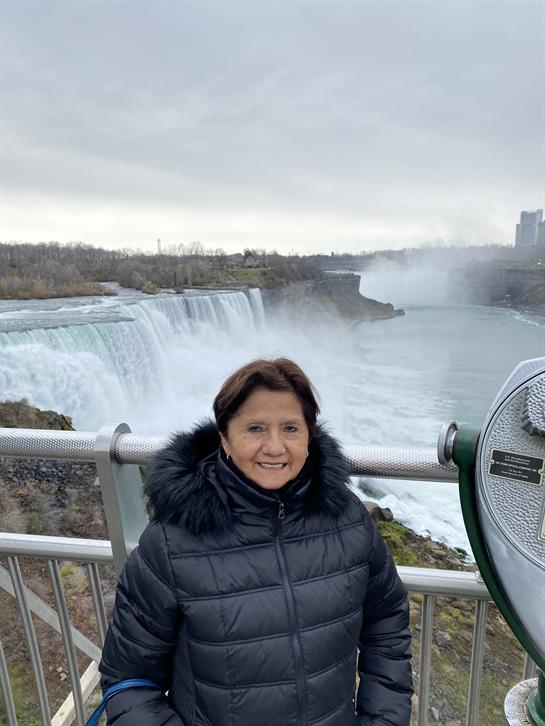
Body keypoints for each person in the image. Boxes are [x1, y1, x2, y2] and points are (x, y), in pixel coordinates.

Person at [99, 358, 413, 725]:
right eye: (255, 428)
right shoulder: (172, 542)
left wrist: (383, 720)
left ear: (310, 436)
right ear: (224, 436)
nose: (275, 447)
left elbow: (387, 621)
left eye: (291, 428)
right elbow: (129, 680)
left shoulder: (347, 519)